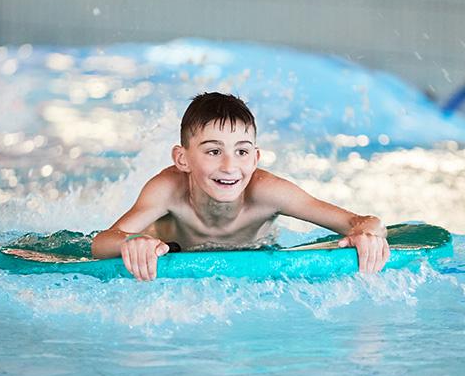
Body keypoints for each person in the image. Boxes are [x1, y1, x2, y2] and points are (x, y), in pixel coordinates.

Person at [92, 92, 390, 280]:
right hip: (179, 252)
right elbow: (102, 242)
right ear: (182, 159)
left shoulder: (269, 193)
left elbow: (363, 222)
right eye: (213, 151)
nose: (229, 166)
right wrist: (132, 243)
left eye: (242, 152)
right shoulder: (167, 189)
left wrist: (366, 235)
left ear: (256, 158)